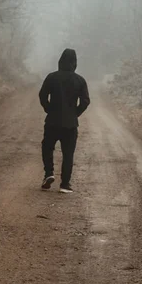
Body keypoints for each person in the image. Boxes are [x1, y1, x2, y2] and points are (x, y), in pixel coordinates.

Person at [39, 48, 90, 193]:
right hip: (70, 124)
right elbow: (85, 101)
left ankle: (49, 173)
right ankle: (65, 184)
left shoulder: (51, 77)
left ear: (60, 61)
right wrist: (75, 114)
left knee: (47, 147)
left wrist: (48, 109)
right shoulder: (80, 80)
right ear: (75, 63)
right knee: (68, 153)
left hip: (52, 122)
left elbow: (42, 95)